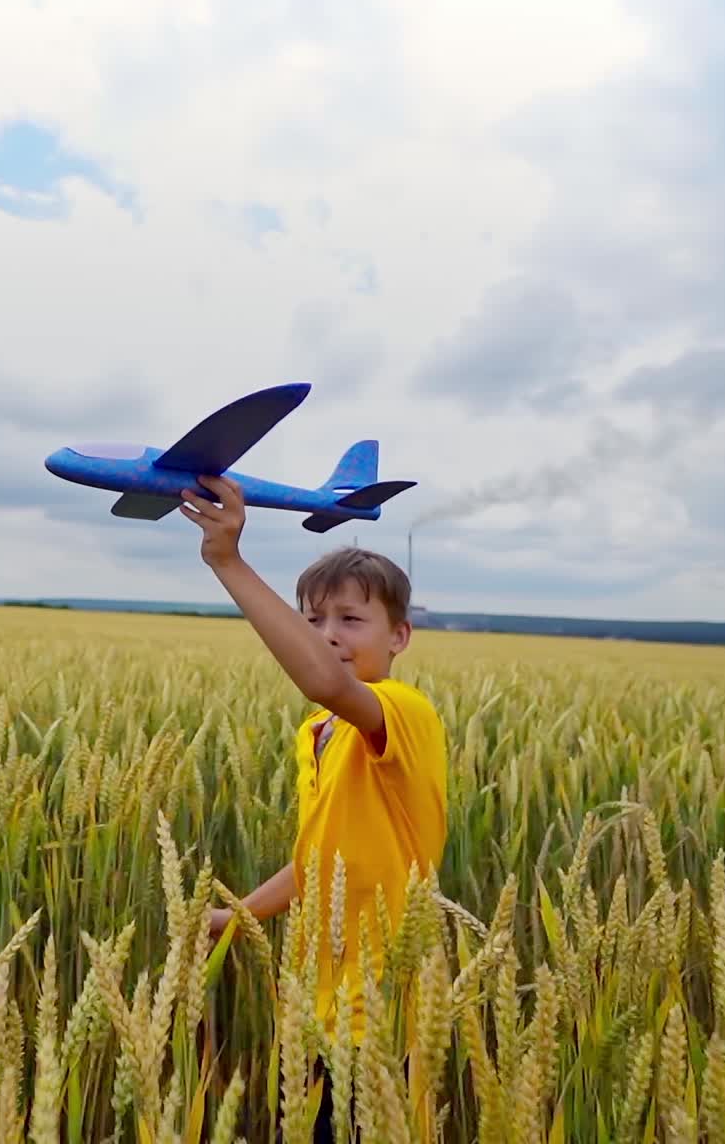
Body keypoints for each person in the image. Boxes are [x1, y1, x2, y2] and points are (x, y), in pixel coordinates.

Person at [178, 475, 448, 1143]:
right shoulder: (318, 734)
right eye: (313, 621)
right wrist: (233, 915)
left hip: (383, 1006)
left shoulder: (401, 714)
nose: (329, 636)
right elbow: (319, 863)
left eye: (351, 621)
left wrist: (228, 561)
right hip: (314, 1006)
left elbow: (323, 678)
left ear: (400, 638)